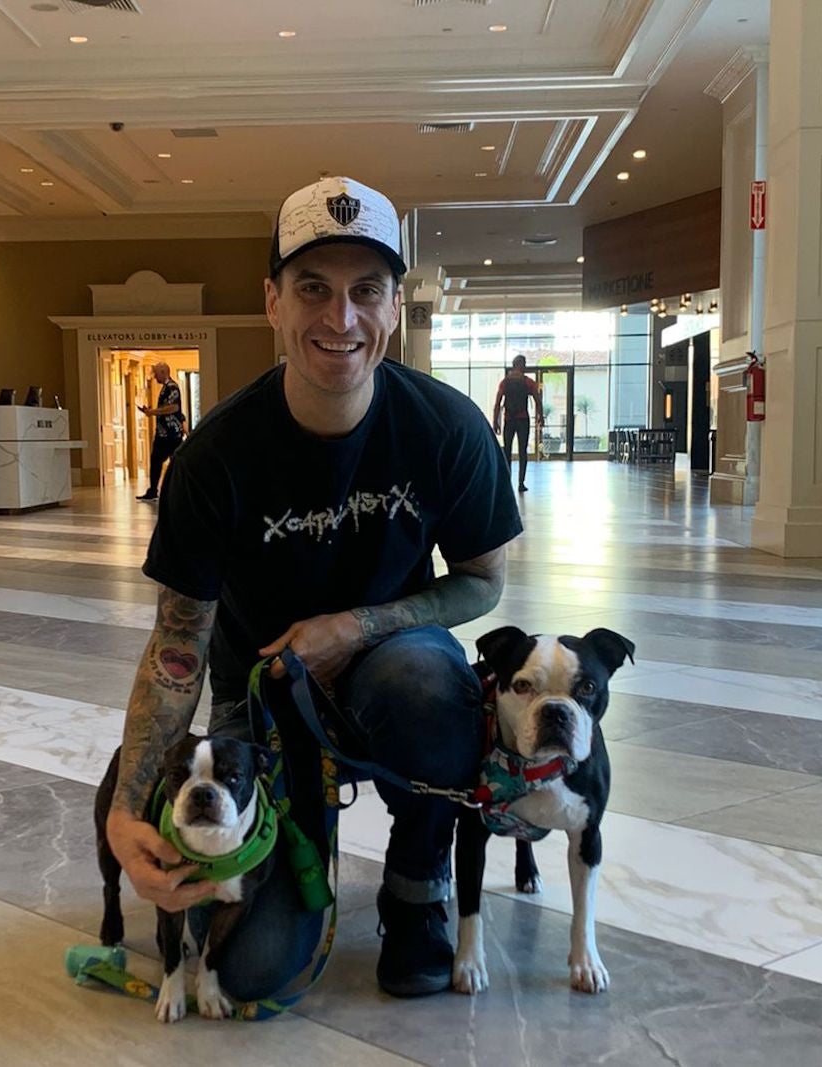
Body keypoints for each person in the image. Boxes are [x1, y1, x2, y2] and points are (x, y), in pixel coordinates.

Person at [104, 176, 521, 1003]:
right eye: (313, 289)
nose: (341, 319)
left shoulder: (447, 429)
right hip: (260, 692)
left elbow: (482, 583)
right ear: (272, 301)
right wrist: (125, 810)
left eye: (366, 291)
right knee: (255, 973)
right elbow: (179, 645)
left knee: (431, 686)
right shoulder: (216, 456)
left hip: (391, 663)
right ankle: (297, 854)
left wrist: (356, 624)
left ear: (394, 305)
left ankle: (414, 893)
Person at [491, 355, 542, 492]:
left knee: (507, 451)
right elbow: (537, 400)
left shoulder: (505, 382)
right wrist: (540, 416)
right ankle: (521, 483)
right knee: (522, 451)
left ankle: (506, 482)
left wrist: (495, 421)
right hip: (522, 419)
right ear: (522, 365)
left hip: (509, 419)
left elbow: (498, 403)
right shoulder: (528, 382)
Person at [135, 361, 184, 501]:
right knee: (157, 460)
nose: (155, 376)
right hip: (164, 433)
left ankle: (167, 490)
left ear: (164, 372)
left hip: (171, 433)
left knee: (167, 461)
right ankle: (154, 490)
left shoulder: (172, 387)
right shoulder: (165, 388)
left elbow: (173, 407)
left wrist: (153, 412)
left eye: (156, 373)